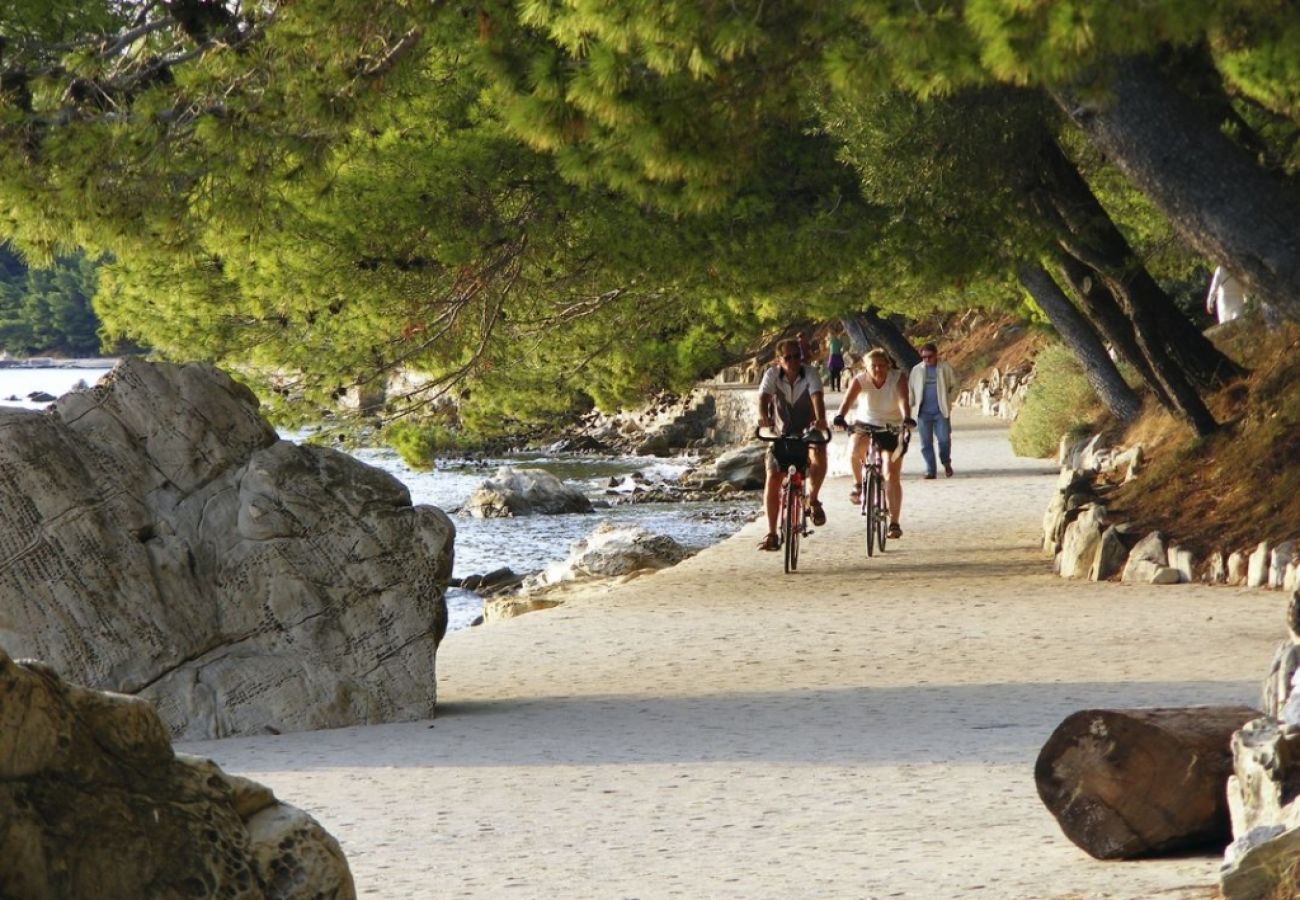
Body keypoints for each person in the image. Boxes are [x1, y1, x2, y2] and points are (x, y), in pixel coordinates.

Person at [756, 338, 829, 551]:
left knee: (820, 451)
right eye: (787, 357)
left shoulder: (810, 374)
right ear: (779, 360)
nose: (793, 361)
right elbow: (763, 399)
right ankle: (771, 533)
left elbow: (817, 398)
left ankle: (813, 500)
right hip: (781, 432)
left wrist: (821, 419)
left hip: (807, 430)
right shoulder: (772, 375)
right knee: (773, 477)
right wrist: (763, 418)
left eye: (797, 356)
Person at [833, 348, 913, 539]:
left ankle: (894, 522)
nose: (878, 369)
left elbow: (903, 399)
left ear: (888, 365)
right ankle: (858, 484)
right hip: (865, 423)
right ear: (866, 367)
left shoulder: (897, 378)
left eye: (881, 365)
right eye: (873, 366)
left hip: (891, 426)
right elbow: (847, 401)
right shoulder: (861, 380)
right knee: (854, 449)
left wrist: (907, 418)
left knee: (891, 472)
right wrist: (840, 416)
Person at [908, 342, 959, 479]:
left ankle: (946, 462)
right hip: (923, 412)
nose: (927, 360)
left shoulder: (944, 368)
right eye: (924, 357)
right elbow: (911, 389)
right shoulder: (916, 370)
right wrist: (910, 404)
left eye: (930, 356)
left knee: (944, 440)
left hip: (940, 411)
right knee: (925, 443)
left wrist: (949, 399)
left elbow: (955, 386)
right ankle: (930, 470)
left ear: (936, 355)